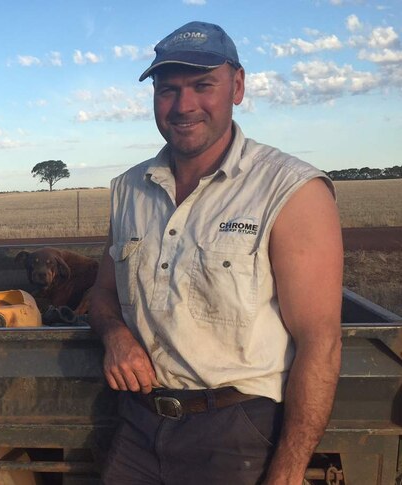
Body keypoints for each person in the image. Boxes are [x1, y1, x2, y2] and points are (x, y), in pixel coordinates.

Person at [88, 21, 342, 484]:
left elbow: (320, 344)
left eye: (203, 85)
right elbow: (103, 293)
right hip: (138, 426)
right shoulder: (129, 189)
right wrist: (116, 337)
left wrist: (285, 474)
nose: (183, 106)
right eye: (168, 90)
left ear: (237, 86)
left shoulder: (289, 189)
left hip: (238, 432)